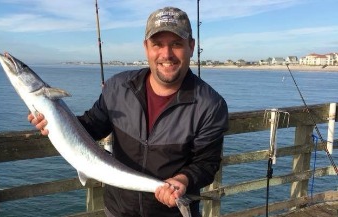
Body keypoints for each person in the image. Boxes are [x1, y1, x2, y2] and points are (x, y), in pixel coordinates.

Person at [28, 6, 228, 217]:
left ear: (191, 46)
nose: (166, 54)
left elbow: (206, 163)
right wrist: (53, 120)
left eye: (176, 44)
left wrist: (182, 180)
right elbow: (90, 127)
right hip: (118, 210)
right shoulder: (118, 87)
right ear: (146, 47)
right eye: (157, 44)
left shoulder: (210, 105)